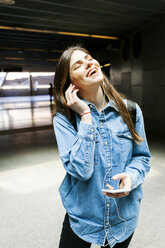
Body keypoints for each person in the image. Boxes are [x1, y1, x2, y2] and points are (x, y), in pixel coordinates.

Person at [52, 46, 150, 248]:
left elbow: (142, 157)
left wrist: (131, 177)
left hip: (122, 217)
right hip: (82, 218)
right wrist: (86, 117)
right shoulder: (65, 119)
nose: (89, 63)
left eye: (89, 58)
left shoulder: (130, 110)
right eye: (78, 65)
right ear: (70, 83)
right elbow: (81, 170)